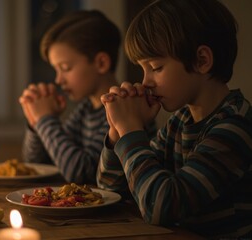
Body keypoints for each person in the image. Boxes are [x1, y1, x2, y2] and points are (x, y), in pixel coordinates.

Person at [97, 0, 252, 239]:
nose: (146, 81)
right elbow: (111, 189)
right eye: (143, 69)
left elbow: (160, 206)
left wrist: (130, 130)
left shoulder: (235, 127)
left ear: (202, 60)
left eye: (156, 67)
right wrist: (117, 131)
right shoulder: (180, 122)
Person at [18, 10, 122, 184]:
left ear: (101, 63)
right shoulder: (85, 110)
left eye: (65, 68)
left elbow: (81, 173)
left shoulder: (122, 110)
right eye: (56, 70)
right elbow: (37, 164)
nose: (58, 80)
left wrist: (45, 119)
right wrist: (36, 124)